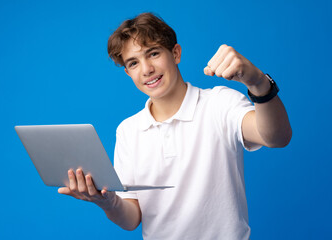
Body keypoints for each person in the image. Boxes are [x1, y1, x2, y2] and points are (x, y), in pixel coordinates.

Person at [58, 12, 292, 239]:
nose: (146, 69)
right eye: (133, 63)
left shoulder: (219, 103)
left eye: (153, 53)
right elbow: (131, 219)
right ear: (128, 72)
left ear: (176, 53)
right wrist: (107, 202)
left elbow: (277, 137)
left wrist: (258, 82)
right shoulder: (128, 131)